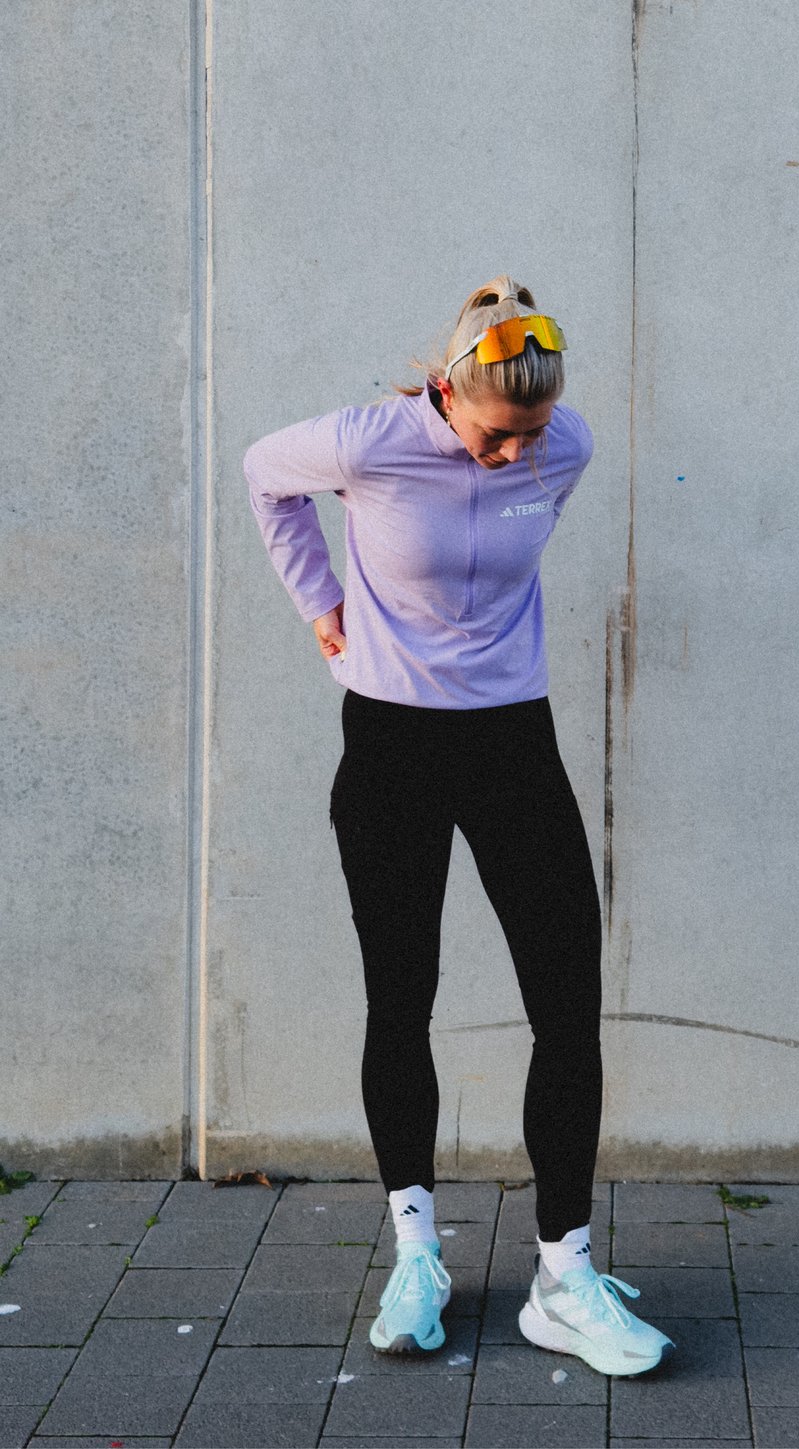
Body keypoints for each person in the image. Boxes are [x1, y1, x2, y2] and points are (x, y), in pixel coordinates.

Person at [244, 275, 673, 1377]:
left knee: (566, 1005)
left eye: (528, 439)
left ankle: (564, 1277)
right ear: (447, 392)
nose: (513, 458)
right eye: (495, 436)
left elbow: (516, 515)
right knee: (403, 1001)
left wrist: (528, 450)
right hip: (390, 746)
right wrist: (323, 609)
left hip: (511, 747)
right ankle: (415, 1254)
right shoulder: (372, 440)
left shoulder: (560, 445)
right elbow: (263, 476)